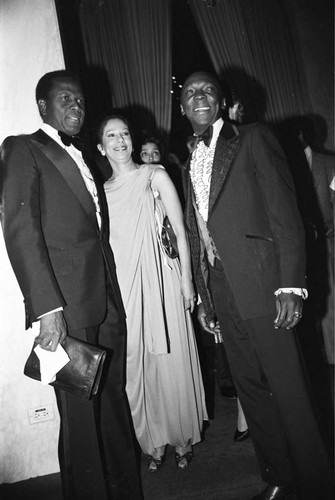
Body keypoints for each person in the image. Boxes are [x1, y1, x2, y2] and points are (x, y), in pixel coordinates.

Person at [179, 71, 334, 500]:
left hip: (265, 285)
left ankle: (318, 484)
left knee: (289, 387)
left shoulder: (253, 138)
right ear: (182, 108)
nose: (200, 97)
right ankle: (280, 476)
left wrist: (290, 285)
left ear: (222, 99)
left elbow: (285, 214)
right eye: (190, 93)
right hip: (223, 289)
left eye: (208, 89)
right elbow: (197, 233)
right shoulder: (189, 157)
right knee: (250, 389)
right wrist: (206, 298)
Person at [0, 71, 143, 500]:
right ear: (43, 106)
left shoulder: (84, 157)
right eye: (65, 98)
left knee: (114, 404)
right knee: (80, 418)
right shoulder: (22, 147)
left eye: (80, 100)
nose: (76, 106)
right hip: (66, 308)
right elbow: (21, 230)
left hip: (105, 302)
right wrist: (48, 309)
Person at [96, 114, 208, 473]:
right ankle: (152, 442)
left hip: (162, 282)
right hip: (125, 291)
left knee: (170, 360)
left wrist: (187, 281)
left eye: (124, 133)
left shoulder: (155, 175)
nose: (120, 140)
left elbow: (180, 228)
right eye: (111, 135)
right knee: (138, 368)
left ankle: (182, 438)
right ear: (100, 147)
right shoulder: (100, 193)